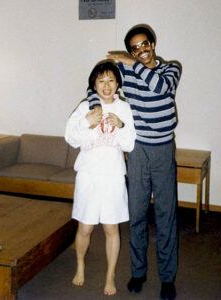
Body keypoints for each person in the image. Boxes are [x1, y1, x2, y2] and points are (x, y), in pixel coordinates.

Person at [87, 24, 182, 300]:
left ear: (153, 43)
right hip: (138, 150)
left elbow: (161, 88)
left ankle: (167, 278)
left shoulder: (171, 69)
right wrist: (95, 103)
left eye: (144, 44)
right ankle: (138, 272)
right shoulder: (126, 72)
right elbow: (100, 84)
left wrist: (130, 62)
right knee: (137, 215)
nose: (140, 50)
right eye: (134, 48)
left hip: (163, 149)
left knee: (166, 216)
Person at [65, 60, 136, 296]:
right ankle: (80, 266)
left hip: (113, 176)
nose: (106, 86)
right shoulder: (85, 106)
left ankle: (110, 276)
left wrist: (121, 124)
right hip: (88, 175)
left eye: (111, 80)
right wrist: (87, 121)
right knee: (84, 228)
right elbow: (71, 138)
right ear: (94, 84)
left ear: (117, 84)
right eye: (101, 81)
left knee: (111, 228)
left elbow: (129, 143)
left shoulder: (124, 108)